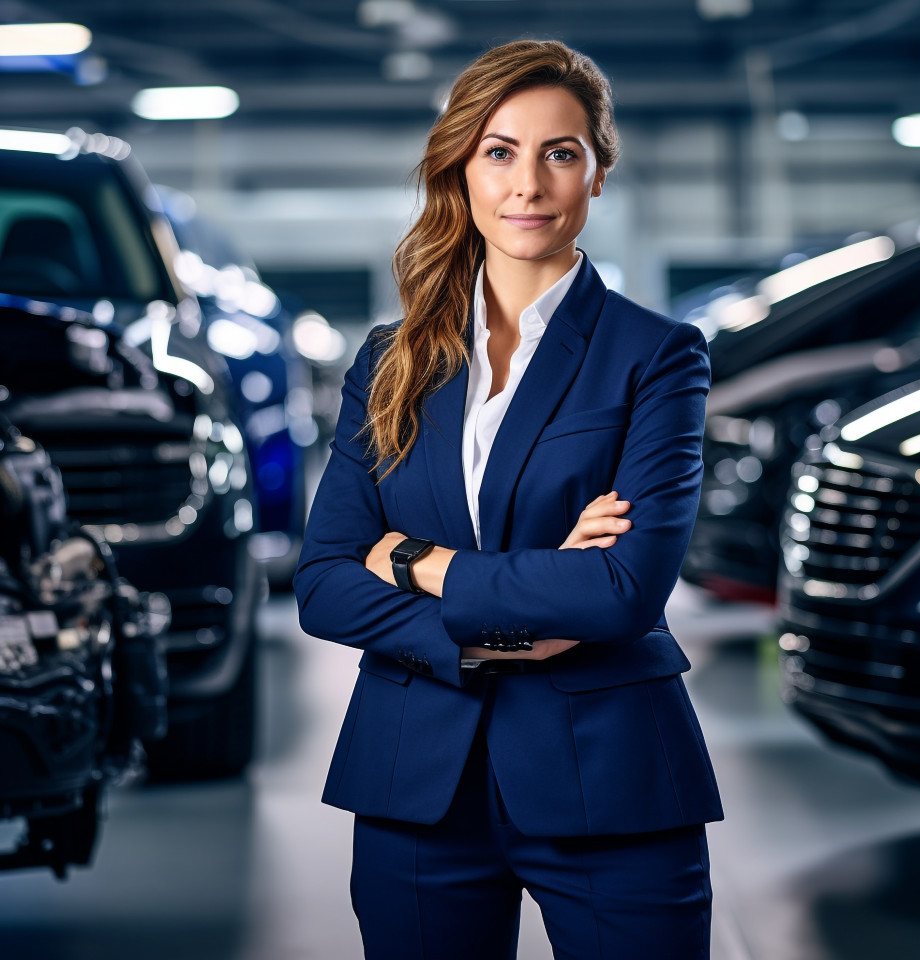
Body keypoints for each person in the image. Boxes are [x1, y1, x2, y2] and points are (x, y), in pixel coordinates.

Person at [294, 38, 723, 960]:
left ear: (597, 174)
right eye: (500, 150)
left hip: (609, 778)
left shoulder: (657, 355)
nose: (528, 183)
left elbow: (619, 593)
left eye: (560, 153)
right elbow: (325, 581)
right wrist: (490, 635)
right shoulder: (389, 359)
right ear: (463, 167)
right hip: (416, 778)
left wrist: (419, 561)